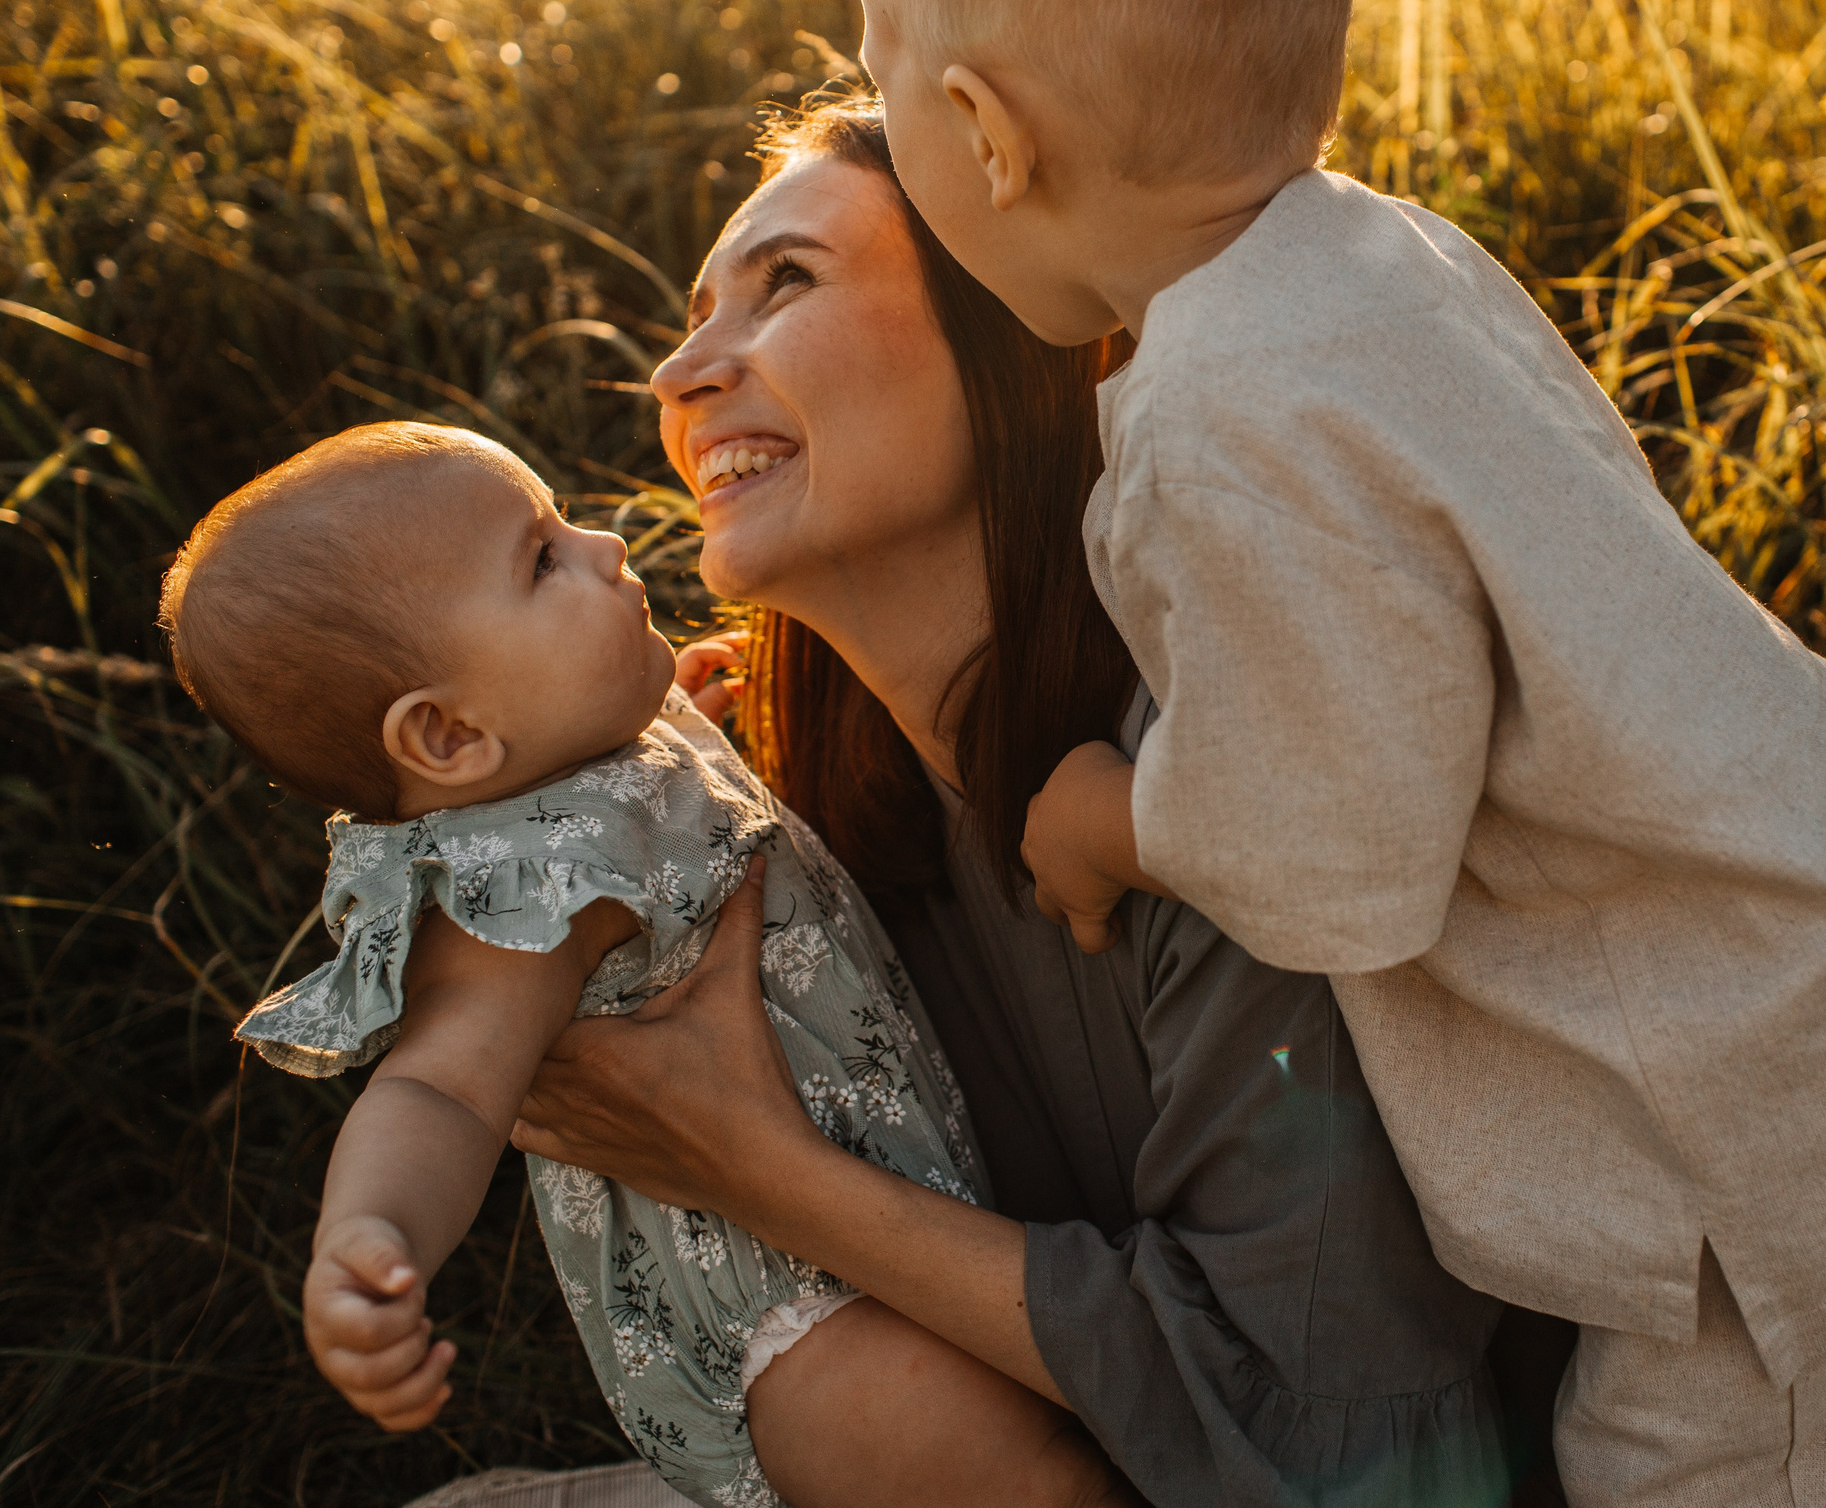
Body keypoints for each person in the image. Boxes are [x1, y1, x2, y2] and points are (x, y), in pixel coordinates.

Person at [844, 0, 1826, 1503]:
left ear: (983, 133)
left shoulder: (1228, 421)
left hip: (1755, 1114)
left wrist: (1108, 815)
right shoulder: (1377, 262)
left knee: (1720, 1472)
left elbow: (1337, 852)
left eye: (877, 62)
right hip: (1811, 1003)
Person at [512, 104, 1535, 1507]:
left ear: (1015, 328)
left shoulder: (1210, 793)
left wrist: (764, 1168)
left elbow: (1358, 1446)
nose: (681, 374)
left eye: (787, 281)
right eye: (694, 316)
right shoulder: (798, 824)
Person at [160, 423, 1127, 1508]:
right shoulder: (525, 889)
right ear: (448, 736)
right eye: (541, 559)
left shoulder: (604, 754)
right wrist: (369, 1239)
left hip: (859, 1217)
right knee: (1048, 1491)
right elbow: (438, 1084)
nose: (607, 543)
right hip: (789, 1316)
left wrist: (699, 749)